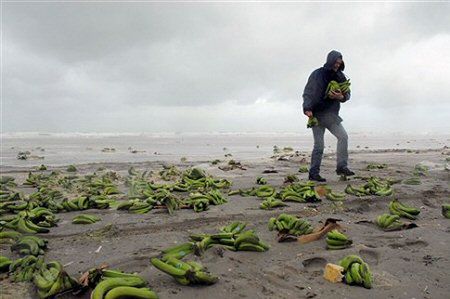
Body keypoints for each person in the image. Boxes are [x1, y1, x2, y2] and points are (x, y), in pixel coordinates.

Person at [302, 50, 355, 182]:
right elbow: (308, 92)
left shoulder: (341, 77)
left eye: (339, 63)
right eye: (335, 62)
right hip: (317, 114)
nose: (337, 65)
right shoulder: (317, 74)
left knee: (343, 137)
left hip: (332, 116)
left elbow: (347, 94)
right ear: (330, 60)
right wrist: (307, 108)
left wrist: (341, 96)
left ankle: (342, 167)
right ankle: (313, 173)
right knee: (319, 145)